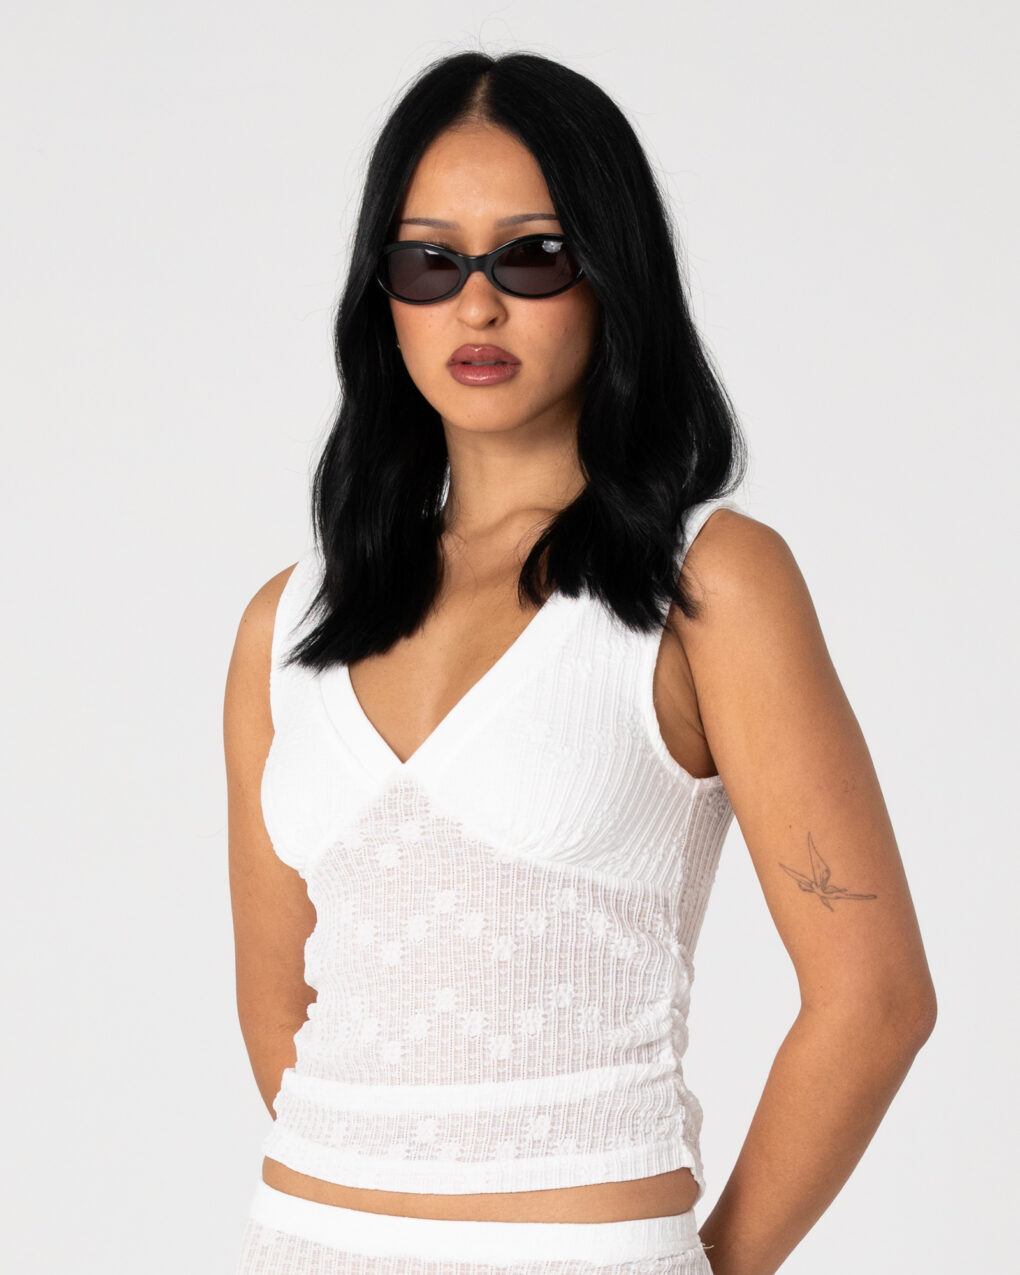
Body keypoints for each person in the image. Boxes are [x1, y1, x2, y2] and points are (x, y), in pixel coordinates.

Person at [223, 49, 937, 1275]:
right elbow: (280, 1005)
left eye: (533, 257)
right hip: (307, 1245)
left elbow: (874, 1001)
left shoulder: (709, 584)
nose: (477, 307)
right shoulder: (287, 623)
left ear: (613, 274)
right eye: (431, 262)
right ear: (383, 292)